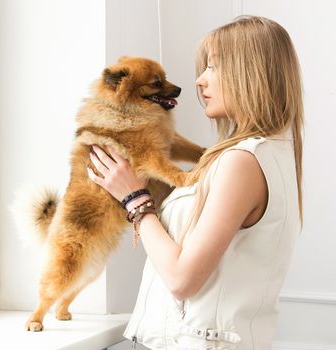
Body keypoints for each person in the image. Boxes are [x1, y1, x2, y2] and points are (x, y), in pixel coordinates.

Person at [88, 15, 304, 350]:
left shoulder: (242, 162)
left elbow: (181, 279)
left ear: (250, 74)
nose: (200, 80)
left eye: (214, 67)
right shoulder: (267, 153)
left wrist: (134, 199)